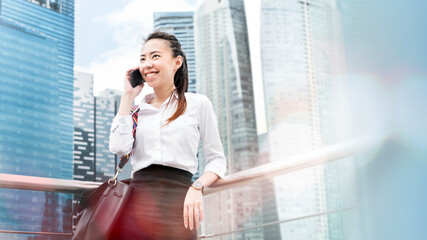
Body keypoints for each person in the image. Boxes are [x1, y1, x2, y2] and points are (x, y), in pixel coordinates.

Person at [108, 31, 227, 239]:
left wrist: (197, 187)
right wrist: (128, 96)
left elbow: (217, 160)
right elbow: (118, 147)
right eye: (142, 59)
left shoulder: (198, 104)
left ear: (177, 62)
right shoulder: (136, 111)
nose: (147, 64)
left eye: (155, 56)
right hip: (136, 205)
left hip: (180, 204)